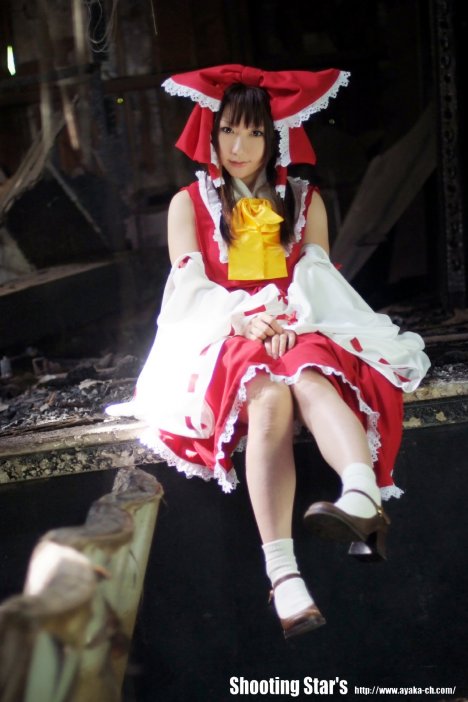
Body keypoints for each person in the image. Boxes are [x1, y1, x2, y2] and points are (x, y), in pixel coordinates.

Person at [107, 64, 430, 639]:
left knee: (310, 375)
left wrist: (286, 318)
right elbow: (187, 289)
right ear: (210, 133)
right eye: (229, 130)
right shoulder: (189, 203)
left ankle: (360, 495)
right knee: (269, 396)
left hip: (297, 322)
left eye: (255, 132)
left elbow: (319, 278)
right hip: (222, 331)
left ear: (275, 135)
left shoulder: (305, 201)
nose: (240, 147)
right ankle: (283, 575)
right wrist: (245, 318)